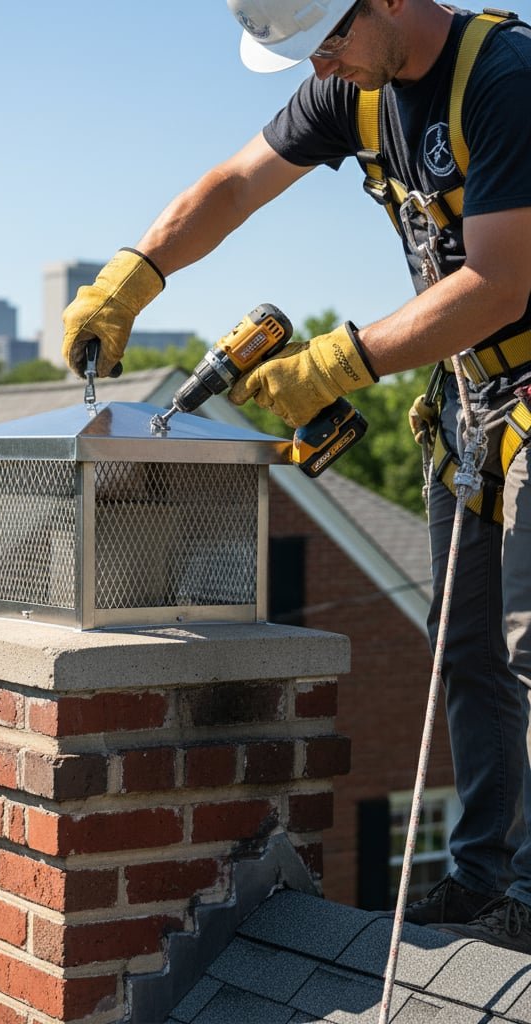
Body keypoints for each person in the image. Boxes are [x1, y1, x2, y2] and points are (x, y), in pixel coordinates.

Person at [61, 0, 531, 952]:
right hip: (474, 396)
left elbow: (501, 282)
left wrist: (338, 363)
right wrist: (135, 273)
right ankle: (484, 884)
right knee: (466, 648)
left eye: (330, 38)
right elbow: (234, 185)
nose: (320, 62)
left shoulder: (505, 80)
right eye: (306, 49)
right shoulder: (352, 88)